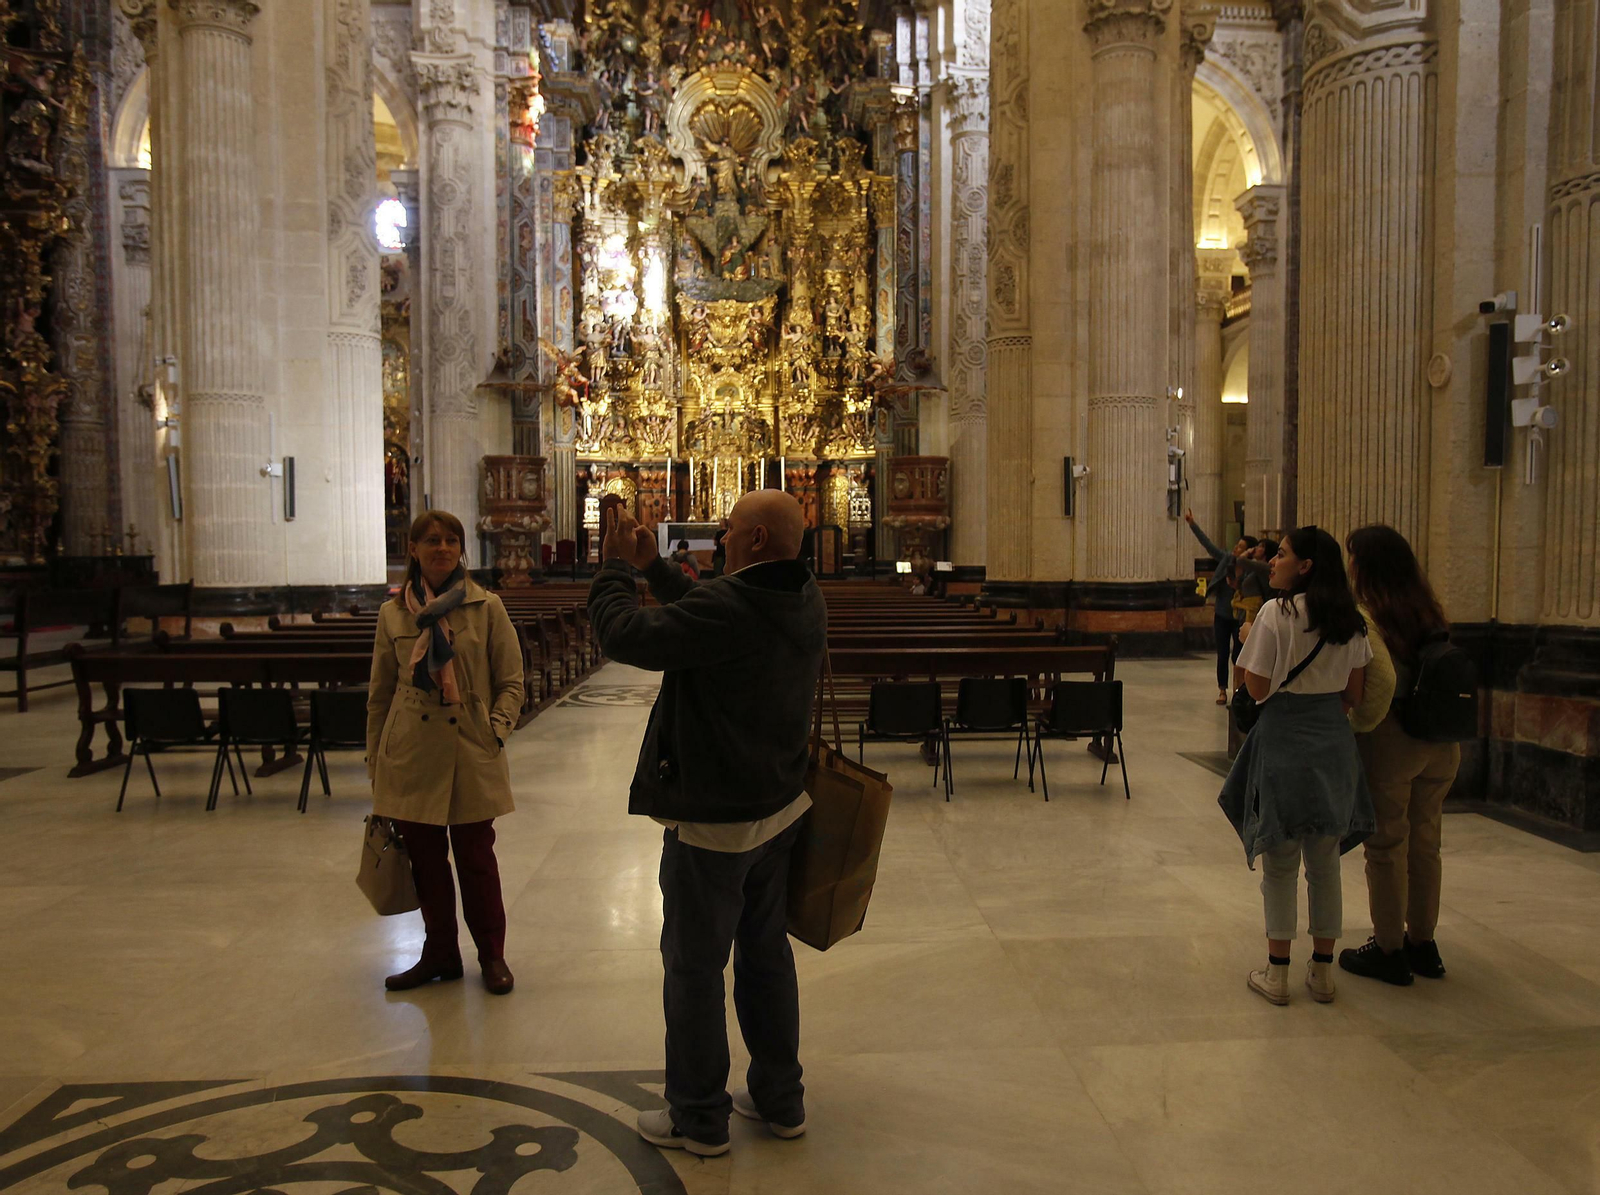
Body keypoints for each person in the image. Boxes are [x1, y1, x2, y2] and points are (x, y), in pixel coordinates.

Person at [588, 490, 826, 1158]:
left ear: (753, 540)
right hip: (777, 810)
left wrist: (613, 569)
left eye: (729, 529)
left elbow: (625, 635)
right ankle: (782, 1099)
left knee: (694, 967)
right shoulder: (802, 593)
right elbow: (708, 615)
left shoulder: (731, 608)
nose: (719, 535)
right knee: (766, 955)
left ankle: (699, 1116)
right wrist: (656, 568)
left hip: (715, 823)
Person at [366, 510, 524, 995]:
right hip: (411, 753)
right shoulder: (394, 614)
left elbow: (512, 682)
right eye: (431, 540)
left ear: (461, 549)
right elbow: (380, 693)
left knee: (477, 859)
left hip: (470, 747)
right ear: (413, 549)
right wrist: (377, 761)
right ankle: (439, 953)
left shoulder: (486, 606)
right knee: (426, 862)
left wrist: (494, 730)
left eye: (451, 540)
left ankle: (492, 956)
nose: (442, 548)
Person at [1218, 526, 1376, 1007]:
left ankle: (1277, 972)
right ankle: (1323, 973)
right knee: (1325, 862)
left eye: (1282, 554)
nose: (1272, 560)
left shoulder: (1274, 614)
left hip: (1284, 739)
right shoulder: (1351, 620)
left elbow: (1258, 689)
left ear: (1305, 566)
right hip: (1331, 741)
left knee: (1281, 863)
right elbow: (1353, 695)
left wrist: (1246, 641)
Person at [1339, 525, 1461, 986]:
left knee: (1388, 845)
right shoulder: (1427, 609)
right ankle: (1422, 944)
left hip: (1395, 742)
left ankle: (1388, 949)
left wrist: (1358, 725)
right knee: (1426, 842)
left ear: (1366, 566)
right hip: (1440, 742)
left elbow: (1382, 680)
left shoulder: (1369, 615)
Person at [1184, 508, 1256, 704]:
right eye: (1237, 546)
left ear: (1249, 551)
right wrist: (1192, 524)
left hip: (1240, 617)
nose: (1236, 549)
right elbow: (1208, 545)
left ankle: (1240, 689)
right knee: (1222, 653)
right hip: (1222, 614)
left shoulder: (1251, 571)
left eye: (1241, 547)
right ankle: (1222, 690)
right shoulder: (1225, 559)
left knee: (1240, 655)